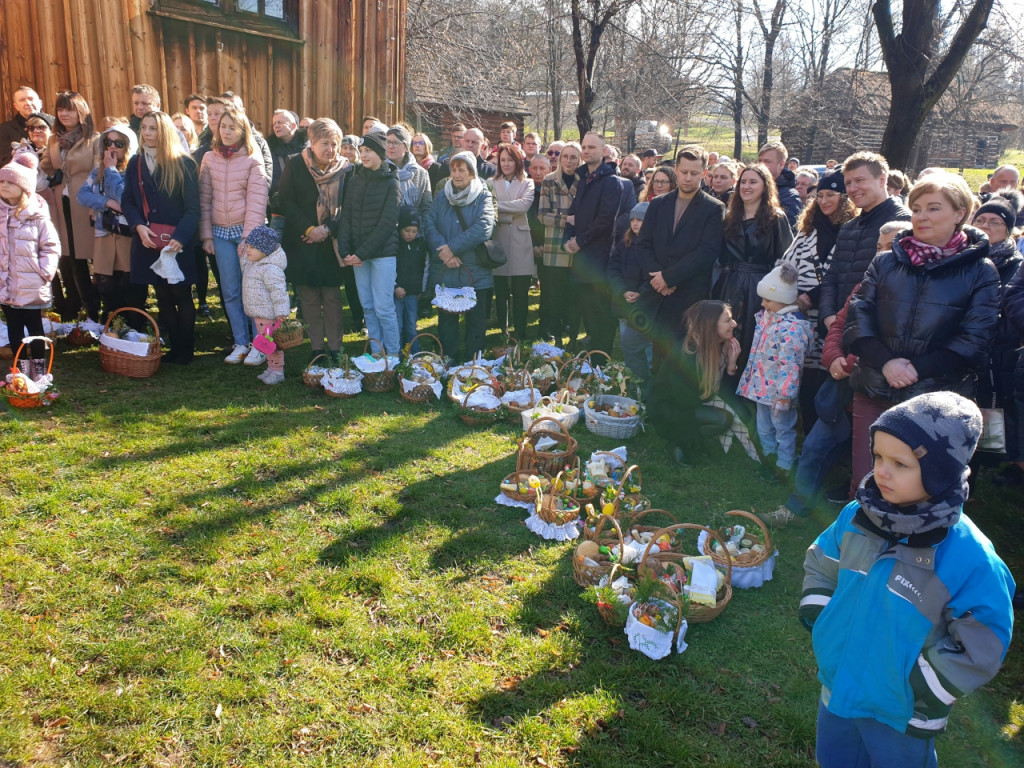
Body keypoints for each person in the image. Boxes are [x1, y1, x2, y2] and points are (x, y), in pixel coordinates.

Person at [801, 391, 1014, 768]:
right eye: (879, 456)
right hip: (839, 684)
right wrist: (821, 613)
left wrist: (924, 686)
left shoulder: (969, 556)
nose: (880, 470)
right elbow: (822, 559)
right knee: (834, 759)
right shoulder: (856, 515)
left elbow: (985, 637)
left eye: (900, 463)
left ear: (940, 473)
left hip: (903, 712)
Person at [842, 172, 999, 497]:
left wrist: (918, 369)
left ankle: (916, 549)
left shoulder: (981, 270)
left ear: (959, 213)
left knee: (920, 491)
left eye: (933, 208)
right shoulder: (885, 261)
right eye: (916, 208)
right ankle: (859, 547)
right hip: (875, 389)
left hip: (935, 400)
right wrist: (886, 363)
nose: (921, 216)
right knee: (865, 485)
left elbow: (976, 337)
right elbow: (858, 318)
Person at [633, 145, 726, 362]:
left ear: (704, 174)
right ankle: (655, 395)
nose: (688, 178)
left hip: (689, 294)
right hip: (657, 292)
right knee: (658, 353)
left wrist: (668, 277)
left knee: (683, 358)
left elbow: (707, 251)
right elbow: (643, 244)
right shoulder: (657, 203)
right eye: (684, 172)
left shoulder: (713, 208)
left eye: (694, 173)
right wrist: (657, 278)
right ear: (676, 169)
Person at [121, 111, 200, 364]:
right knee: (162, 295)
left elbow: (193, 208)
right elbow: (128, 200)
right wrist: (138, 227)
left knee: (181, 295)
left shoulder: (183, 164)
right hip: (148, 240)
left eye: (152, 128)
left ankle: (186, 350)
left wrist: (181, 237)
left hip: (177, 242)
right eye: (144, 128)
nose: (146, 133)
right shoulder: (136, 163)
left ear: (164, 132)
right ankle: (173, 348)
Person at [780, 169, 857, 427]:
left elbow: (844, 274)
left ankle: (831, 431)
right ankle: (809, 426)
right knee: (807, 374)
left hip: (832, 314)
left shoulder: (851, 231)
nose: (824, 201)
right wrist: (781, 294)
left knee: (831, 375)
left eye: (830, 195)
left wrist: (811, 296)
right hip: (801, 315)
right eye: (820, 195)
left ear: (844, 197)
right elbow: (786, 265)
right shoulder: (807, 230)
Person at [279, 118, 354, 365]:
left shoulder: (347, 169)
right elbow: (286, 201)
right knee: (309, 297)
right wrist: (309, 229)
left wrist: (328, 229)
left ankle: (335, 347)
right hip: (303, 242)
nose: (330, 150)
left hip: (331, 243)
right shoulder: (295, 164)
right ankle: (316, 348)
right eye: (325, 143)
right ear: (312, 143)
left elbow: (350, 207)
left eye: (335, 144)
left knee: (332, 297)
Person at [199, 103, 270, 365]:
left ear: (243, 131)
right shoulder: (208, 158)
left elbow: (257, 200)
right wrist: (206, 235)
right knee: (229, 291)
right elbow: (204, 199)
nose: (227, 132)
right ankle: (241, 342)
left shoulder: (252, 159)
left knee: (253, 291)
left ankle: (260, 344)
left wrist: (249, 238)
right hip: (219, 232)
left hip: (247, 233)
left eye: (233, 127)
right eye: (223, 127)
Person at [649, 300, 751, 467]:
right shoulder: (689, 352)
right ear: (710, 325)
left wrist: (732, 366)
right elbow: (683, 400)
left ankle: (694, 437)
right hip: (671, 408)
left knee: (743, 414)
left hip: (698, 398)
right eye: (727, 320)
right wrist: (713, 398)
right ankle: (680, 442)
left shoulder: (722, 345)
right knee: (721, 420)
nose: (734, 324)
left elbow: (727, 392)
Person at [713, 163, 793, 372]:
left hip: (760, 286)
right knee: (724, 332)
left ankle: (747, 383)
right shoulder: (730, 216)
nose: (747, 187)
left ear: (765, 186)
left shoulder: (775, 218)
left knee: (752, 334)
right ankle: (722, 379)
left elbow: (785, 259)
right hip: (730, 282)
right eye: (744, 182)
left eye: (753, 182)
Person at [737, 262, 813, 478]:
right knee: (764, 426)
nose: (762, 304)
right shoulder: (768, 319)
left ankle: (784, 465)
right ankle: (769, 457)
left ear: (783, 298)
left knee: (783, 429)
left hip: (779, 393)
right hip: (762, 387)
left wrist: (785, 395)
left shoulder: (792, 328)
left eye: (767, 299)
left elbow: (790, 365)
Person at [819, 152, 911, 329]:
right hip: (839, 329)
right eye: (848, 183)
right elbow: (832, 276)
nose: (853, 189)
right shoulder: (848, 228)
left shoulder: (903, 224)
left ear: (882, 180)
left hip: (877, 330)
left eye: (860, 180)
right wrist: (829, 316)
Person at [971, 191, 1023, 486]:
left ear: (1008, 229)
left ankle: (974, 481)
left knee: (987, 420)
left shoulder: (1015, 265)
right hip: (964, 353)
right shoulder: (964, 256)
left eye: (994, 222)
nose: (986, 226)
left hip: (996, 356)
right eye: (981, 219)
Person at [423, 150, 495, 361]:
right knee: (447, 318)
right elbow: (429, 223)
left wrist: (452, 248)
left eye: (462, 170)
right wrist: (444, 251)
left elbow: (484, 227)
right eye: (453, 170)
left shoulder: (483, 195)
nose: (456, 174)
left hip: (474, 270)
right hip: (446, 268)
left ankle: (474, 362)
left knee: (476, 320)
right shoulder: (441, 196)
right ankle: (448, 358)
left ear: (472, 173)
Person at [338, 131, 402, 355]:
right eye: (362, 151)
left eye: (369, 151)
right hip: (358, 257)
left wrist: (362, 253)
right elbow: (346, 217)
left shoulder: (392, 182)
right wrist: (346, 250)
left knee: (384, 308)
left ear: (381, 154)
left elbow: (388, 223)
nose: (363, 155)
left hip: (382, 254)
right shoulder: (355, 180)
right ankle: (377, 352)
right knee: (368, 306)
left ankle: (393, 356)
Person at [0, 151, 60, 379]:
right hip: (5, 282)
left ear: (24, 188)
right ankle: (20, 369)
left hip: (32, 282)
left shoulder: (37, 216)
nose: (4, 186)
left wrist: (44, 271)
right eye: (1, 181)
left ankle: (38, 368)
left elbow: (51, 246)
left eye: (10, 182)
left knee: (34, 327)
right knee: (14, 327)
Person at [563, 132, 621, 352]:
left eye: (592, 148)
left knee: (600, 314)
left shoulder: (610, 182)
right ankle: (592, 357)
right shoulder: (584, 179)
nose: (587, 151)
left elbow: (606, 220)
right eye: (584, 148)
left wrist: (581, 241)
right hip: (581, 258)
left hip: (599, 258)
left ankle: (602, 360)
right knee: (586, 309)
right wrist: (568, 239)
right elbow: (574, 214)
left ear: (603, 151)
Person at [76, 123, 138, 321]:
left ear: (128, 146)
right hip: (104, 232)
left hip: (126, 233)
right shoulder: (97, 171)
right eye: (107, 142)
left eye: (118, 143)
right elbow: (82, 195)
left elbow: (125, 199)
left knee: (127, 283)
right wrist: (106, 202)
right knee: (104, 282)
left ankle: (131, 321)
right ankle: (113, 317)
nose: (112, 147)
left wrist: (111, 171)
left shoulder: (134, 170)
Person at [607, 202, 654, 395]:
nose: (635, 224)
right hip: (624, 301)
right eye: (633, 220)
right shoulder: (624, 243)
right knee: (627, 343)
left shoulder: (654, 245)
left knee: (648, 348)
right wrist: (622, 290)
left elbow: (654, 274)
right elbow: (613, 267)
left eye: (640, 220)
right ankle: (633, 382)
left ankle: (649, 383)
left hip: (644, 303)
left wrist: (641, 293)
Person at [491, 143, 535, 340]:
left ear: (517, 161)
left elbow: (524, 206)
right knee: (500, 290)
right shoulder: (490, 182)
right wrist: (510, 211)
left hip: (520, 241)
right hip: (498, 239)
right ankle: (502, 329)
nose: (506, 163)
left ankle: (521, 330)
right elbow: (487, 206)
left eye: (510, 159)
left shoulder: (528, 183)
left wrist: (499, 208)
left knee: (520, 290)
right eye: (503, 160)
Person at [538, 141, 580, 345]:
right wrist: (567, 219)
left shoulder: (585, 180)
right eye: (565, 156)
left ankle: (572, 336)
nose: (569, 160)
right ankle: (554, 335)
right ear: (560, 158)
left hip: (577, 245)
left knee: (573, 296)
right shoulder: (549, 180)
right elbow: (542, 216)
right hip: (554, 246)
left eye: (574, 157)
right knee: (554, 295)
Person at [241, 226, 290, 385]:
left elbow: (279, 292)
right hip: (260, 315)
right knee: (265, 344)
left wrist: (281, 312)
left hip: (270, 316)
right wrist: (243, 252)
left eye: (253, 247)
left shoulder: (270, 269)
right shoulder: (254, 263)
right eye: (247, 246)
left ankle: (278, 371)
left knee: (272, 345)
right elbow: (244, 265)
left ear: (265, 250)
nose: (248, 250)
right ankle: (271, 368)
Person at [394, 205, 428, 353]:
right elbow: (390, 270)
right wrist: (395, 287)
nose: (410, 235)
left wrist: (421, 289)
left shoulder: (420, 246)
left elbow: (423, 269)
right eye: (406, 231)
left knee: (411, 326)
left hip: (413, 294)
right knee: (398, 325)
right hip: (397, 293)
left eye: (414, 231)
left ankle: (414, 353)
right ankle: (398, 352)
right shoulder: (395, 247)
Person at [385, 126, 432, 220]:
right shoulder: (381, 170)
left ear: (406, 147)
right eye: (388, 142)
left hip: (413, 229)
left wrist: (419, 231)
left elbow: (426, 207)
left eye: (395, 143)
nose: (390, 146)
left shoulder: (421, 173)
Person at [757, 141, 801, 230]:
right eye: (760, 161)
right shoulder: (752, 188)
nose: (761, 165)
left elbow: (786, 230)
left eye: (767, 161)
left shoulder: (789, 196)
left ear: (781, 164)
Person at [1, 87, 47, 167]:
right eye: (22, 100)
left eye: (30, 98)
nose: (28, 103)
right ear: (16, 106)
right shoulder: (4, 130)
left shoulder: (56, 125)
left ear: (40, 103)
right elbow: (4, 161)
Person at [268, 109, 308, 198]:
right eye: (274, 124)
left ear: (293, 126)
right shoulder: (269, 149)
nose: (276, 126)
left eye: (280, 122)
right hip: (280, 199)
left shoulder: (308, 147)